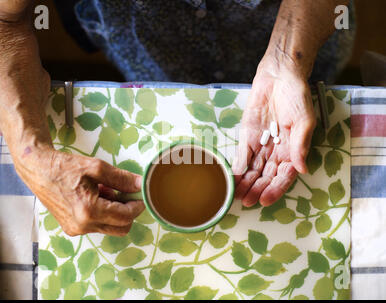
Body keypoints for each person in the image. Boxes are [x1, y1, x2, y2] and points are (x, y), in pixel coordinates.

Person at [0, 0, 355, 236]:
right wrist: (28, 152)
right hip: (146, 50)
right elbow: (5, 20)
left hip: (297, 36)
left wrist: (286, 59)